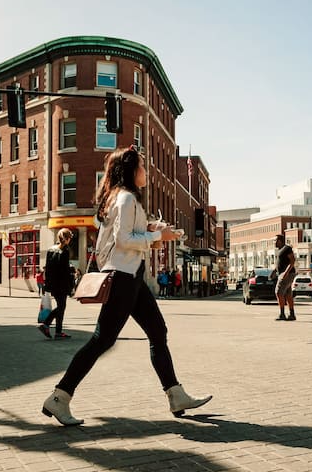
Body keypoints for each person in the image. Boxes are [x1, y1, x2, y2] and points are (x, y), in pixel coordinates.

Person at [41, 146, 211, 426]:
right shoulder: (127, 198)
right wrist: (157, 234)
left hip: (132, 276)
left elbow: (128, 232)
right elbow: (124, 239)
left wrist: (156, 229)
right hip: (123, 277)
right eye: (142, 166)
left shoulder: (118, 198)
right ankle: (60, 397)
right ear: (131, 171)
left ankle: (175, 394)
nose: (146, 171)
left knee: (157, 332)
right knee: (102, 340)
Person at [38, 228, 74, 339]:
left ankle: (58, 332)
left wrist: (47, 285)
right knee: (61, 307)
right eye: (70, 238)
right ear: (67, 239)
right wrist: (71, 284)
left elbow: (48, 268)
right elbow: (64, 271)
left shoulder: (50, 250)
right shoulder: (65, 251)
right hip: (62, 284)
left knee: (61, 307)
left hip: (53, 284)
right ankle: (46, 324)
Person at [273, 234, 297, 321]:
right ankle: (292, 314)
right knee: (288, 294)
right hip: (284, 274)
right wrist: (273, 272)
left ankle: (282, 314)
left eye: (275, 240)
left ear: (280, 241)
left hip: (286, 274)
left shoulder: (287, 248)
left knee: (278, 292)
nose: (274, 242)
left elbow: (292, 261)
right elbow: (280, 264)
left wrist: (286, 273)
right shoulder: (280, 250)